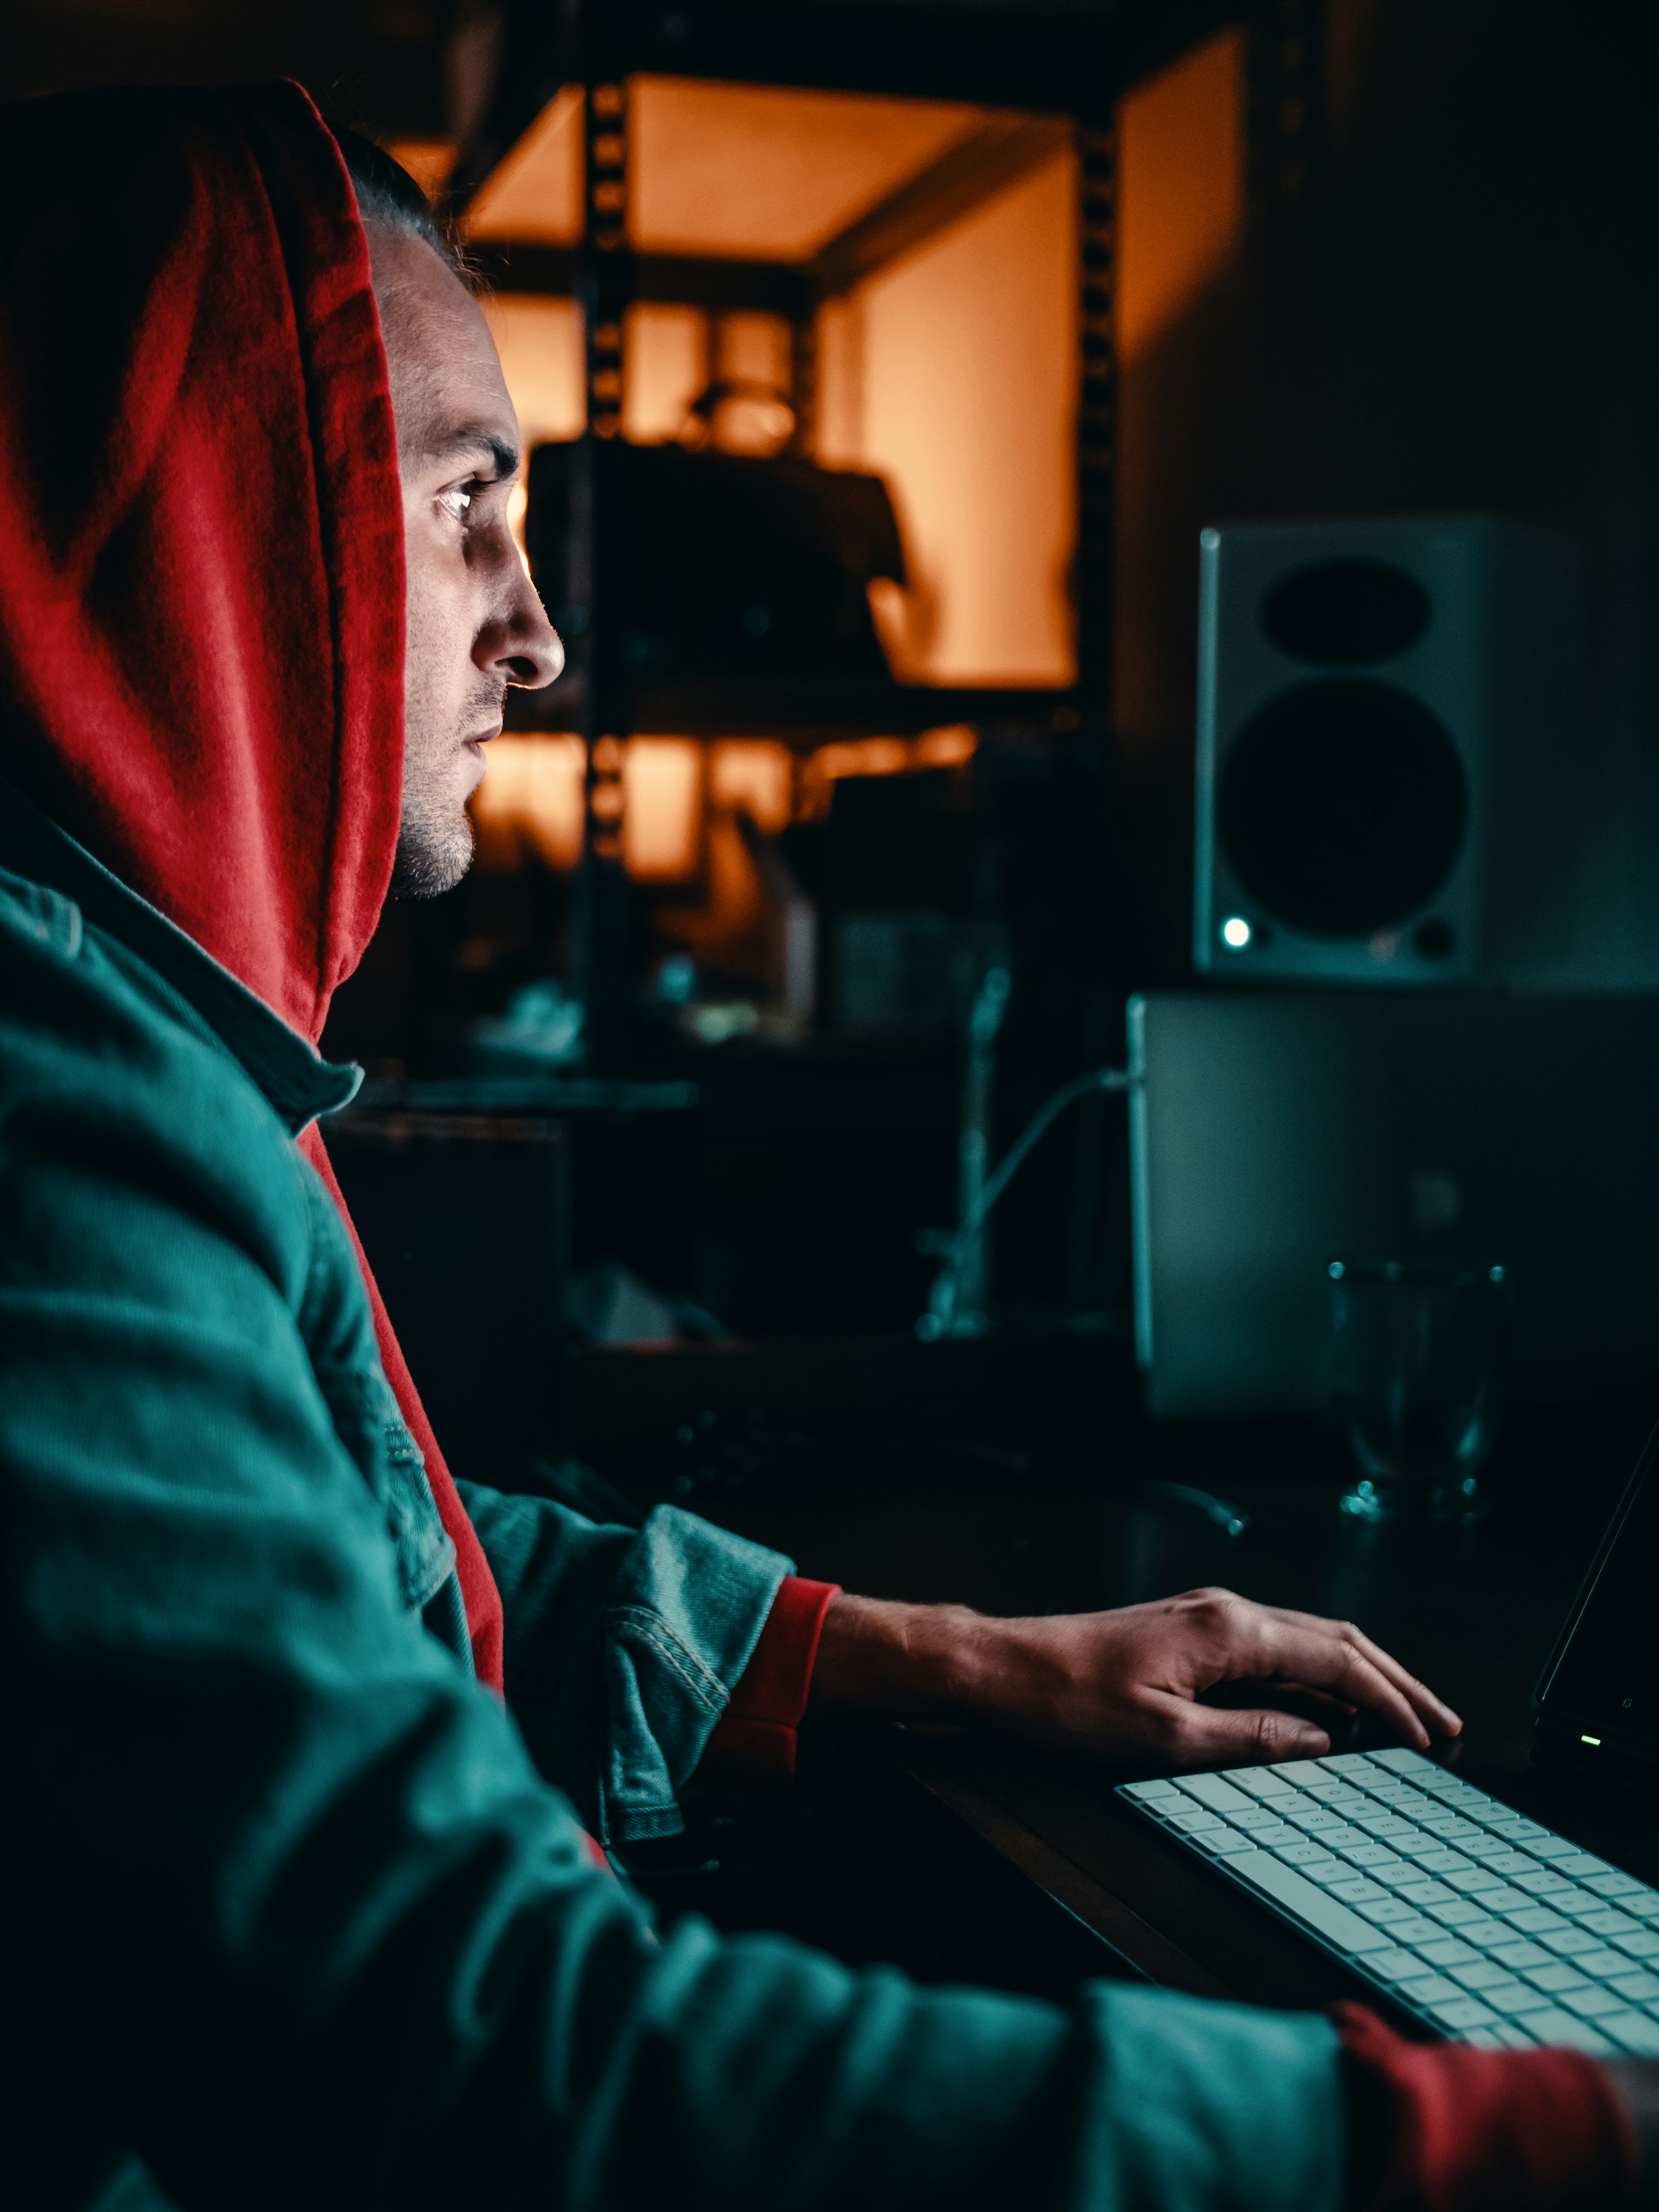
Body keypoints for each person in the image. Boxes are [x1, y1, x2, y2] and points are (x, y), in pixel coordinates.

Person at [0, 81, 1652, 2212]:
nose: (540, 632)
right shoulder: (59, 1105)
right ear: (228, 519)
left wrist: (967, 1657)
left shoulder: (126, 1034)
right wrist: (1531, 2144)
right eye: (463, 506)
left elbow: (350, 1545)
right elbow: (494, 2060)